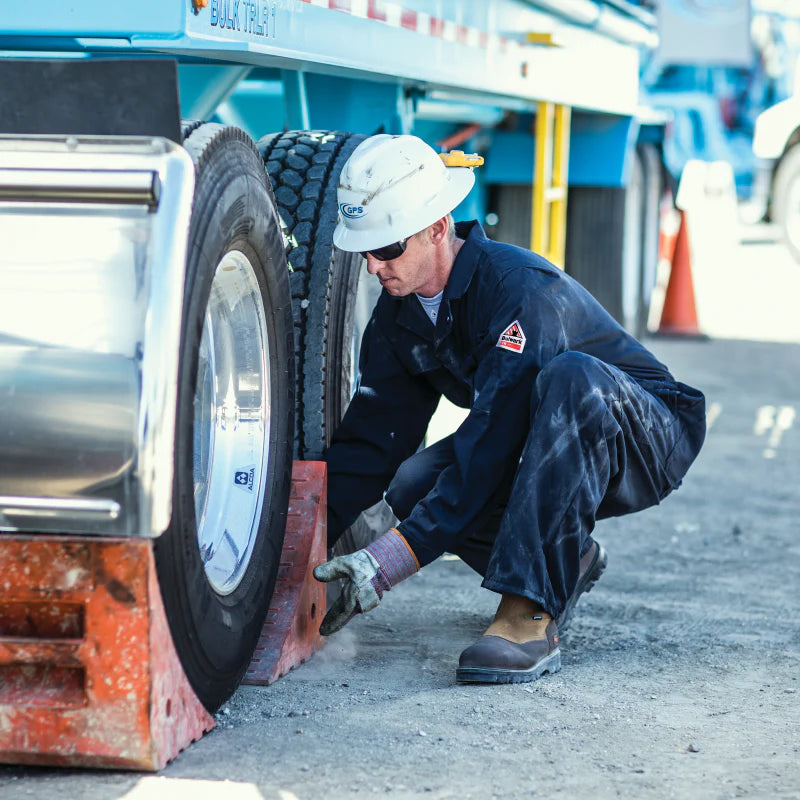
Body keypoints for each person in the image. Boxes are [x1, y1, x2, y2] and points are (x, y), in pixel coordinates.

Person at [313, 134, 706, 684]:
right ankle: (570, 559)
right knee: (412, 484)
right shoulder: (400, 318)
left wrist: (387, 564)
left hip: (643, 430)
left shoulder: (518, 291)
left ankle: (529, 609)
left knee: (572, 376)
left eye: (388, 248)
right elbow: (374, 441)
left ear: (437, 227)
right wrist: (297, 545)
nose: (375, 266)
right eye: (366, 251)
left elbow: (492, 440)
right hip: (545, 433)